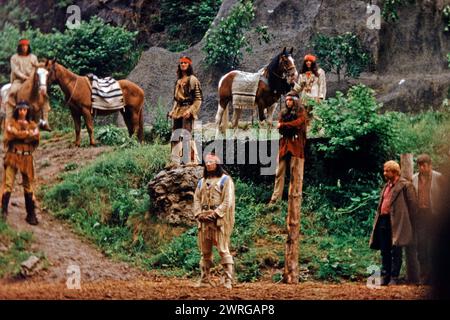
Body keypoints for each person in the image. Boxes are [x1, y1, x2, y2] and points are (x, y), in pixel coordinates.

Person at [369, 160, 417, 285]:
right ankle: (386, 275)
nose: (384, 173)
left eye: (387, 171)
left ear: (394, 172)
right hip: (384, 220)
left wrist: (409, 223)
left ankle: (394, 277)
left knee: (396, 250)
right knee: (385, 250)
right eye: (384, 170)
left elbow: (412, 206)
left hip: (398, 221)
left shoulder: (405, 185)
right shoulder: (387, 186)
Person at [193, 153, 235, 289]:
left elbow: (228, 200)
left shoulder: (225, 180)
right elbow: (196, 199)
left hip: (218, 221)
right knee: (205, 252)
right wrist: (199, 213)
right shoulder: (201, 181)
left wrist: (216, 214)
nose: (208, 164)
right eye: (207, 162)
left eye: (211, 162)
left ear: (217, 164)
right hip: (204, 221)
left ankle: (228, 280)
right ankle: (205, 280)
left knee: (223, 249)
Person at [1, 101, 40, 225]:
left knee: (28, 186)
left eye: (25, 109)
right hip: (13, 156)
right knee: (8, 184)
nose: (22, 111)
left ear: (28, 111)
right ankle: (3, 212)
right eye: (20, 109)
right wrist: (27, 135)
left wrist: (19, 135)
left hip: (27, 159)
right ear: (17, 110)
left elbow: (36, 136)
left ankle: (31, 214)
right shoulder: (10, 123)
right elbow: (10, 135)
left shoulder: (33, 124)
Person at [269, 91, 307, 204]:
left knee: (295, 173)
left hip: (296, 144)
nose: (288, 102)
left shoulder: (301, 112)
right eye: (286, 100)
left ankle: (294, 199)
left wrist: (285, 125)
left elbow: (299, 123)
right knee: (279, 172)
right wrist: (285, 126)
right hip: (284, 144)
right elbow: (280, 128)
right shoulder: (284, 113)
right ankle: (275, 200)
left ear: (295, 101)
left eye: (290, 100)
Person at [412, 154, 444, 284]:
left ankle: (437, 276)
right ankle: (424, 275)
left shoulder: (439, 177)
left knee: (435, 245)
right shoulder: (414, 178)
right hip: (420, 216)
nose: (422, 168)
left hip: (435, 215)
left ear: (430, 165)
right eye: (419, 165)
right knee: (421, 245)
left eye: (424, 165)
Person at [7, 39, 51, 131]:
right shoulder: (14, 58)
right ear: (20, 47)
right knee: (12, 92)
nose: (24, 48)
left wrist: (31, 78)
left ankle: (45, 121)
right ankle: (10, 121)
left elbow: (36, 69)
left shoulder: (33, 57)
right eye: (22, 46)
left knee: (43, 94)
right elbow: (15, 70)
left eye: (26, 46)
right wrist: (24, 77)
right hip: (19, 81)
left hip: (31, 80)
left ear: (28, 47)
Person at [167, 55, 202, 167]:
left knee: (187, 135)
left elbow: (198, 99)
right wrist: (173, 111)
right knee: (175, 136)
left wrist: (191, 111)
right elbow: (176, 100)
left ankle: (190, 160)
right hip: (178, 110)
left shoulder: (193, 80)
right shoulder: (178, 81)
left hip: (188, 109)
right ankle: (175, 161)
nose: (183, 65)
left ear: (189, 65)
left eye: (185, 63)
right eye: (181, 63)